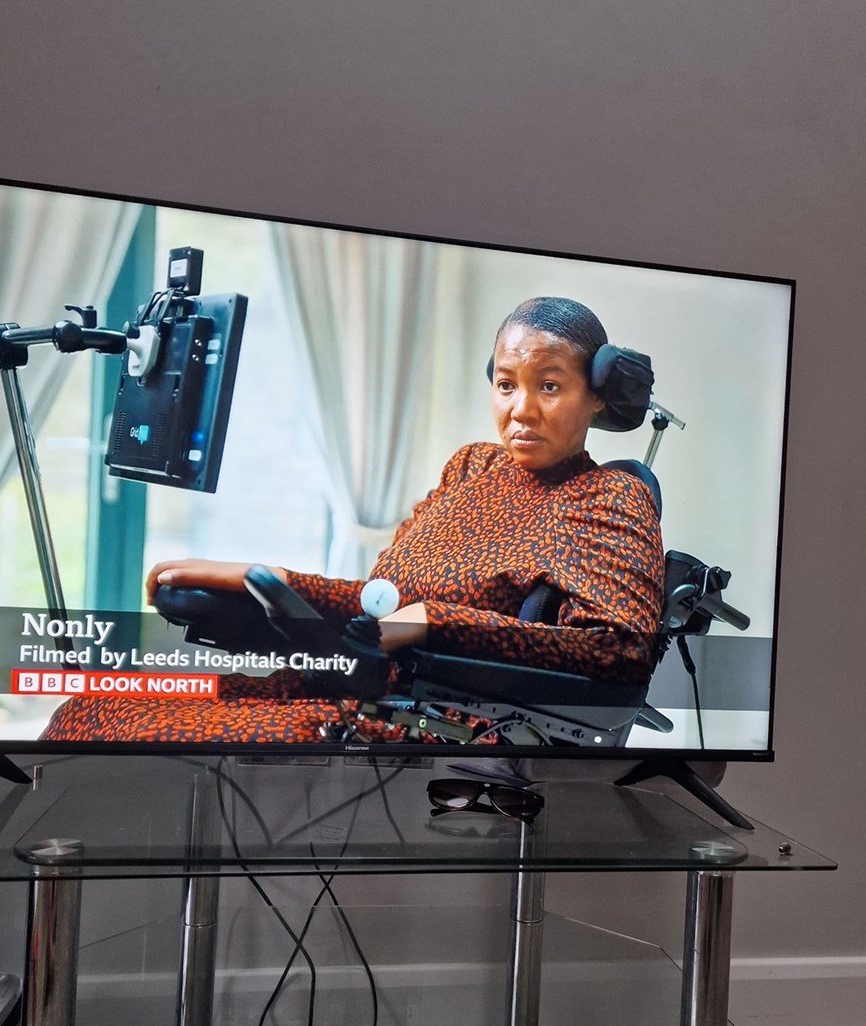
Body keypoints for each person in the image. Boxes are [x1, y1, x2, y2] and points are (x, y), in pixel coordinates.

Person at [42, 297, 664, 744]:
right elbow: (380, 603)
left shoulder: (608, 496)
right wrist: (264, 586)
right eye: (506, 384)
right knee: (94, 705)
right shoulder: (472, 467)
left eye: (549, 387)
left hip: (445, 720)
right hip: (361, 682)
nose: (520, 409)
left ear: (598, 393)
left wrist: (428, 623)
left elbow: (618, 656)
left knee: (122, 733)